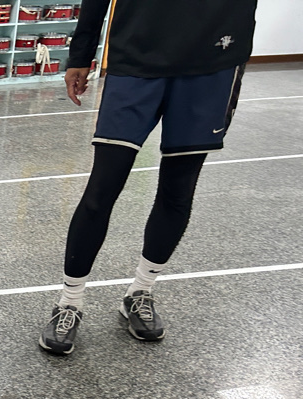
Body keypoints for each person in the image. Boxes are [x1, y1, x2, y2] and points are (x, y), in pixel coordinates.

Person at [39, 0, 258, 355]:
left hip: (213, 61)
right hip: (136, 55)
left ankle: (141, 291)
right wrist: (81, 54)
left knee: (178, 190)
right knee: (101, 190)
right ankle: (69, 302)